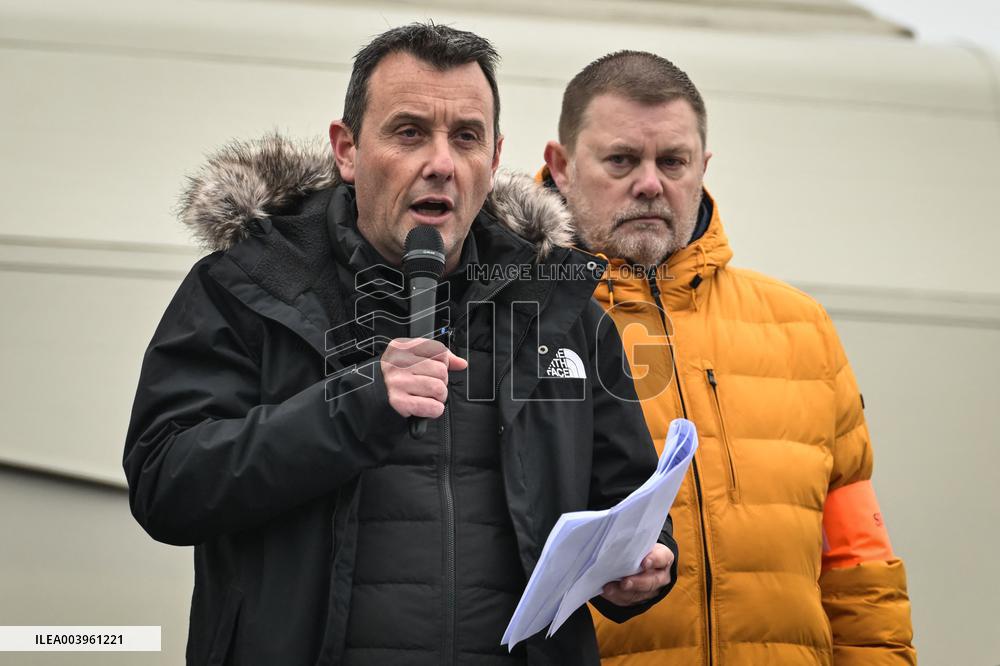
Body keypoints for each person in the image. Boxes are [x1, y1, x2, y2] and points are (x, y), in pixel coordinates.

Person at [123, 25, 678, 666]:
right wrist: (353, 408)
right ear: (348, 150)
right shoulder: (247, 287)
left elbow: (627, 496)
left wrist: (643, 564)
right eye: (409, 132)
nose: (441, 162)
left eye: (466, 137)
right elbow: (167, 483)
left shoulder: (559, 305)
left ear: (494, 159)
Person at [540, 51, 915, 665]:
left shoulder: (801, 328)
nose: (650, 183)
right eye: (621, 160)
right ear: (561, 166)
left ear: (702, 166)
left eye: (673, 161)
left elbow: (858, 565)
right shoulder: (512, 323)